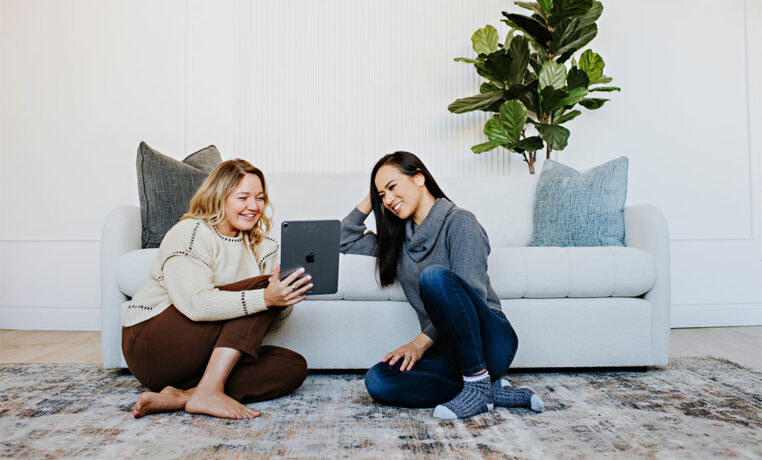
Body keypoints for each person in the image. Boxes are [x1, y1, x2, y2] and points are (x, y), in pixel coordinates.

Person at [340, 151, 544, 420]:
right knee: (378, 380)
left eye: (392, 187)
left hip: (490, 342)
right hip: (448, 353)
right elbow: (343, 239)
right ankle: (487, 391)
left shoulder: (460, 222)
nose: (388, 200)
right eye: (382, 196)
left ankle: (478, 383)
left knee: (434, 277)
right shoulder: (396, 241)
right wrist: (373, 195)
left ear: (419, 178)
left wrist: (418, 344)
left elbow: (472, 296)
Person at [122, 159, 310, 420]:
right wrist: (267, 295)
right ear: (219, 198)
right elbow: (195, 305)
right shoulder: (191, 232)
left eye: (260, 198)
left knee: (292, 367)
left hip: (197, 360)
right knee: (263, 289)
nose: (254, 207)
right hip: (150, 344)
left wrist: (285, 297)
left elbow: (268, 324)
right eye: (243, 197)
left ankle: (188, 394)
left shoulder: (263, 245)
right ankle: (208, 390)